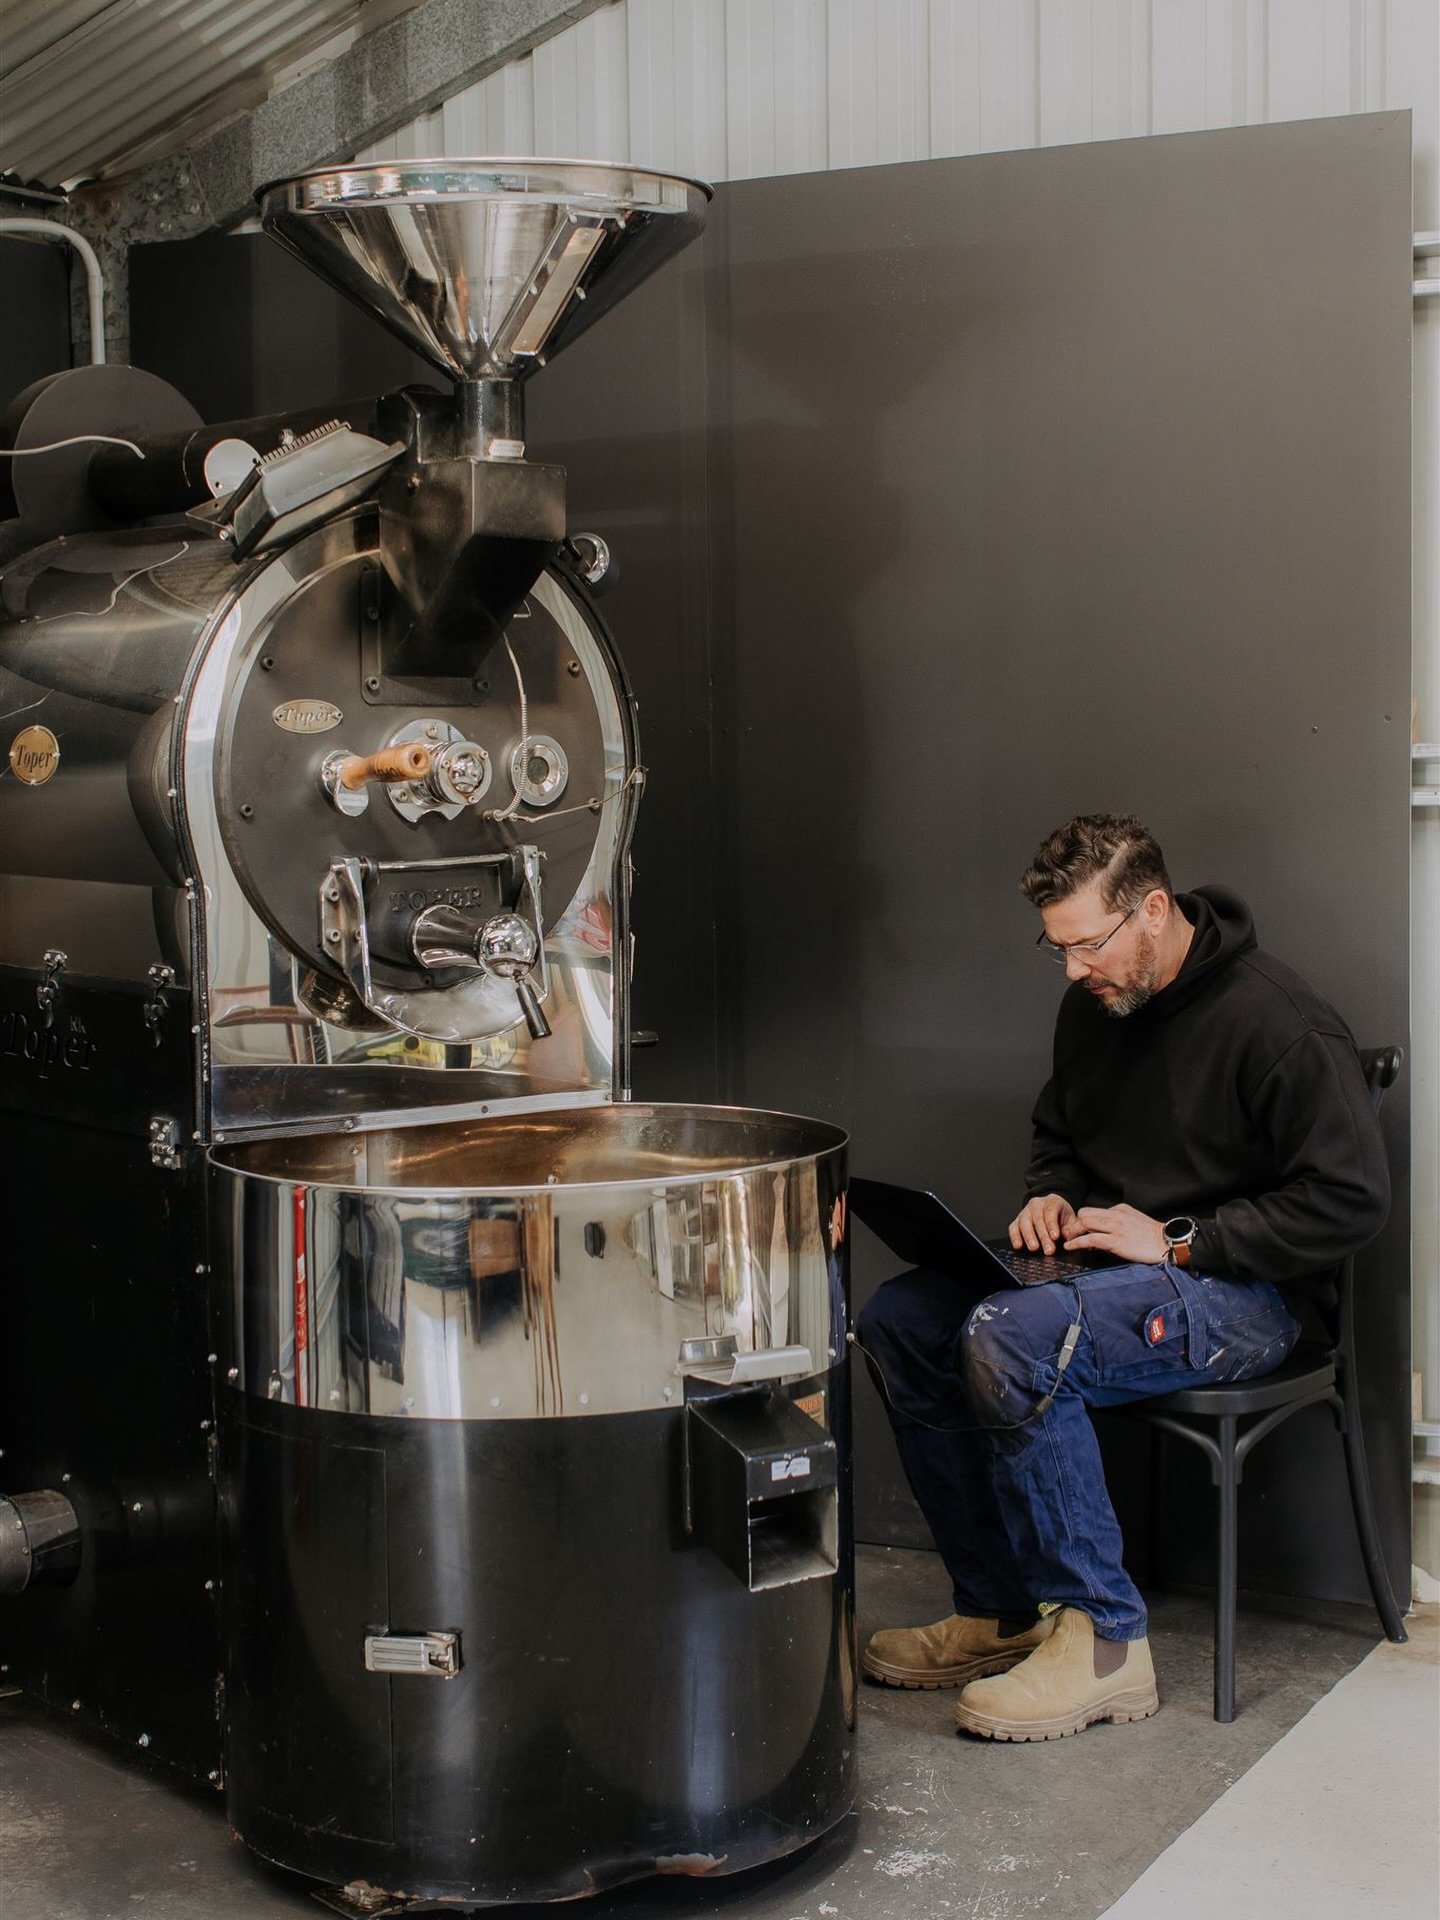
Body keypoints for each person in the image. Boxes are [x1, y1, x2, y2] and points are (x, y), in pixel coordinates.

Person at [854, 813, 1390, 1741]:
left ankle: (1105, 1642)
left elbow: (1351, 1200)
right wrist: (1052, 1195)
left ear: (1152, 910)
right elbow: (1059, 1133)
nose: (1073, 970)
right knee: (903, 1317)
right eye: (1056, 948)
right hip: (1111, 1271)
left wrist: (1178, 1240)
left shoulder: (1281, 1023)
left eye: (1087, 945)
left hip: (1252, 1297)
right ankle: (1001, 1610)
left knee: (1014, 1336)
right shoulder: (1097, 1005)